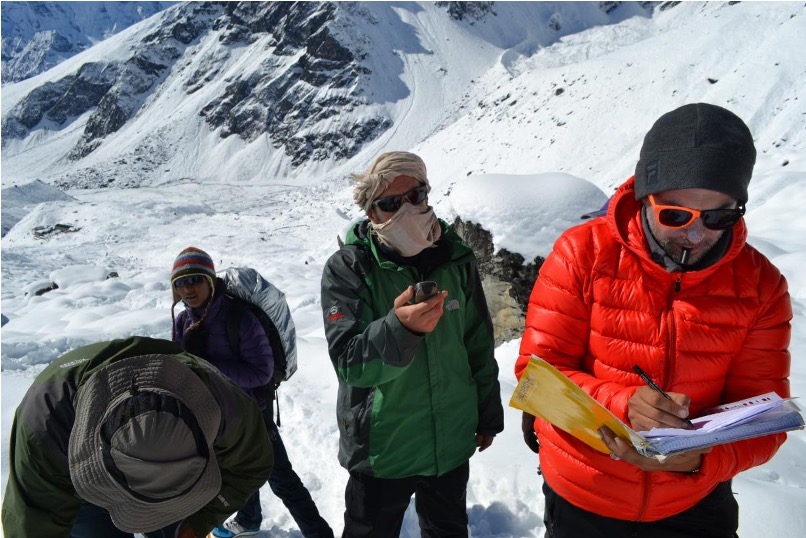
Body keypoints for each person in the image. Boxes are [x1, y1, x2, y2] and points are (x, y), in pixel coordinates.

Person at [516, 102, 793, 537]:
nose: (696, 233)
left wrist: (700, 460)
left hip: (693, 501)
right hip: (584, 495)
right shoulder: (582, 255)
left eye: (719, 216)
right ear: (646, 197)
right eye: (676, 215)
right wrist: (624, 406)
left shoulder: (759, 286)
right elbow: (536, 377)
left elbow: (765, 419)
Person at [320, 151, 505, 537]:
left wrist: (487, 412)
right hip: (383, 450)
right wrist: (400, 330)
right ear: (372, 213)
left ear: (428, 194)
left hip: (450, 444)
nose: (406, 209)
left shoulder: (457, 259)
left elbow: (477, 343)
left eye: (415, 196)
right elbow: (350, 363)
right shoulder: (350, 267)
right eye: (390, 204)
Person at [1, 336, 273, 538]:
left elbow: (251, 465)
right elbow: (32, 526)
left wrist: (198, 522)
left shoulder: (224, 404)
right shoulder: (45, 428)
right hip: (71, 477)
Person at [171, 246, 333, 538]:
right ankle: (248, 518)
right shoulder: (184, 322)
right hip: (214, 417)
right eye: (180, 283)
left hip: (252, 414)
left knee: (281, 479)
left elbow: (261, 373)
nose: (188, 288)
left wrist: (207, 364)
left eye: (194, 279)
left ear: (209, 280)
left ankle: (319, 533)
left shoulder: (239, 318)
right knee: (236, 474)